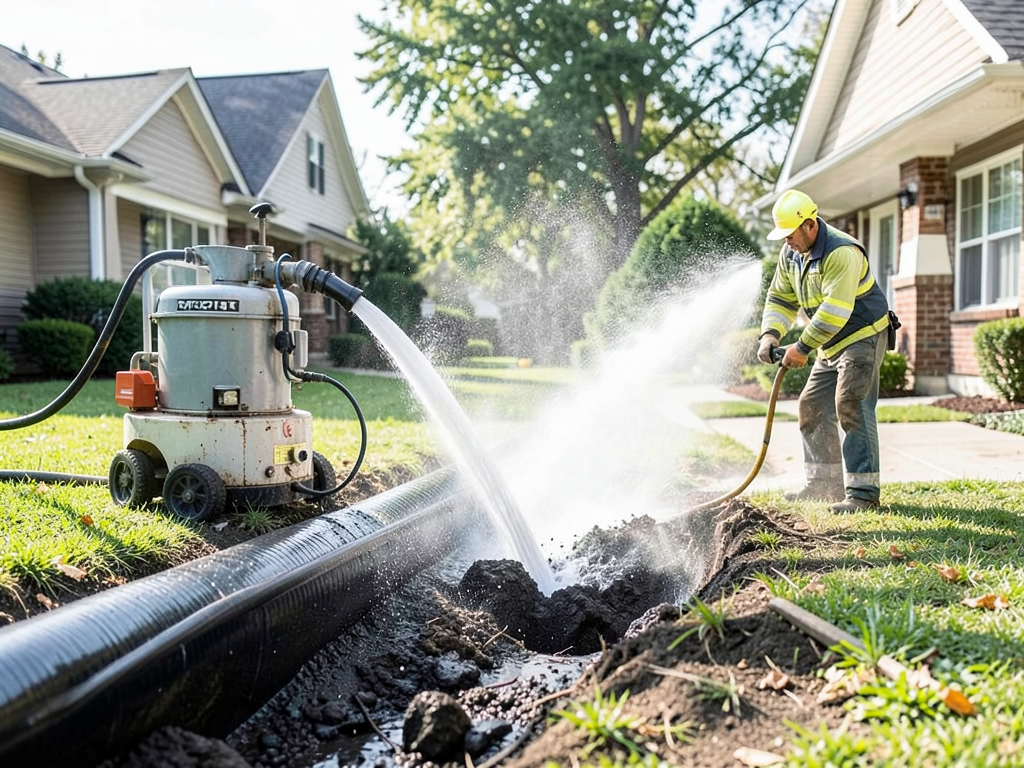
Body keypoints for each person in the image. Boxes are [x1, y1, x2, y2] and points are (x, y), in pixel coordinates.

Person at [757, 189, 890, 513]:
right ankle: (822, 485)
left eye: (790, 235)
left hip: (862, 335)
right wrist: (770, 335)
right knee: (813, 404)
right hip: (831, 341)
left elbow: (835, 311)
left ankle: (863, 495)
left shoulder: (842, 251)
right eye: (783, 237)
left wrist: (801, 348)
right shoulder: (791, 255)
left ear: (810, 225)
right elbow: (781, 299)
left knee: (851, 403)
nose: (787, 242)